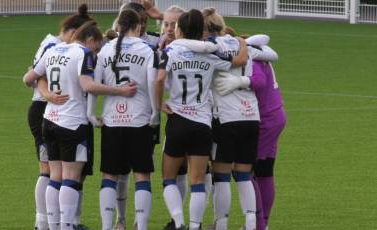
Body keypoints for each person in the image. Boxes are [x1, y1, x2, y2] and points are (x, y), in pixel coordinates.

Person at [23, 21, 137, 229]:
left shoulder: (52, 49)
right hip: (72, 123)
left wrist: (47, 94)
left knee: (54, 175)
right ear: (91, 40)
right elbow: (88, 85)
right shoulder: (82, 53)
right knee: (71, 178)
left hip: (49, 120)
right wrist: (120, 91)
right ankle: (67, 225)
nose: (94, 54)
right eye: (95, 48)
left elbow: (29, 77)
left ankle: (52, 225)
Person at [155, 9, 247, 230]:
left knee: (168, 177)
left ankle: (178, 222)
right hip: (202, 122)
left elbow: (159, 79)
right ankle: (196, 226)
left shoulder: (171, 51)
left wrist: (158, 105)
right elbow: (240, 60)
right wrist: (241, 42)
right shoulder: (211, 53)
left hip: (178, 120)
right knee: (198, 181)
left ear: (180, 29)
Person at [87, 9, 159, 230]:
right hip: (139, 120)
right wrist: (155, 112)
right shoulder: (147, 50)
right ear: (138, 27)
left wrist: (90, 113)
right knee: (142, 175)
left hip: (112, 121)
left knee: (109, 174)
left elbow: (94, 85)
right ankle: (142, 226)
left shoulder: (106, 50)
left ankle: (108, 226)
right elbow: (153, 83)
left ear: (118, 26)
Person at [23, 4, 93, 230]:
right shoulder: (58, 46)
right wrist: (47, 95)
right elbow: (35, 76)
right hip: (51, 110)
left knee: (56, 171)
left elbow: (33, 72)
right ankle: (44, 222)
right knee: (51, 170)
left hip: (51, 110)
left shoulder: (53, 44)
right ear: (74, 32)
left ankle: (56, 222)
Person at [215, 60, 286, 230]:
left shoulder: (252, 60)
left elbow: (259, 81)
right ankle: (263, 223)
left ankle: (258, 225)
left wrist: (239, 82)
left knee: (245, 171)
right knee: (265, 171)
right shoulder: (260, 56)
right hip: (275, 114)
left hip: (264, 119)